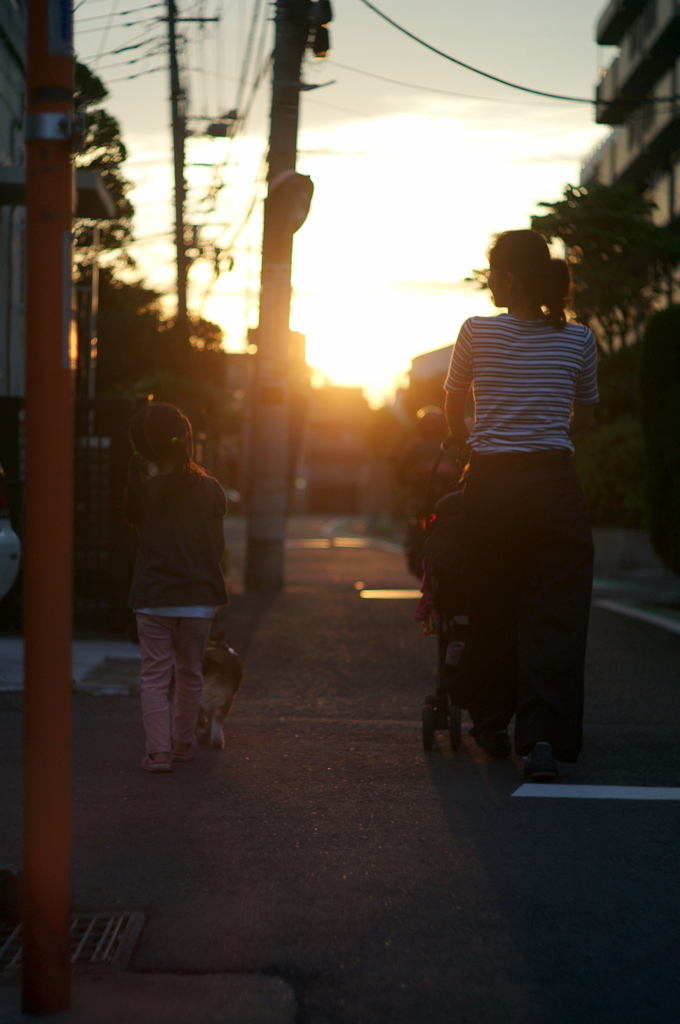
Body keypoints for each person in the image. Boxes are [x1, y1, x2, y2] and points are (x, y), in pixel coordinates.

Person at [444, 229, 598, 781]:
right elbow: (584, 416)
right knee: (555, 613)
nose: (489, 281)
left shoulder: (475, 333)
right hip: (553, 485)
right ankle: (543, 742)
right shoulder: (579, 339)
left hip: (491, 488)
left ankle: (489, 719)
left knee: (492, 604)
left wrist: (476, 439)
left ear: (508, 279)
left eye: (492, 271)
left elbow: (453, 408)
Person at [125, 402, 229, 773]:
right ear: (186, 439)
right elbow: (218, 548)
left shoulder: (143, 493)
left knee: (154, 675)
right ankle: (184, 742)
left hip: (153, 598)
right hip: (198, 600)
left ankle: (158, 753)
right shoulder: (210, 489)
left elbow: (145, 543)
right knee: (189, 672)